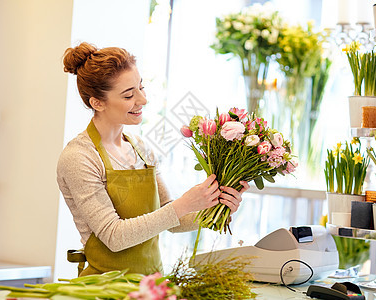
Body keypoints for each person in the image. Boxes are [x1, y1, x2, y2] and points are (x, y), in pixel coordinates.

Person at [56, 42, 250, 276]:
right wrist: (184, 204)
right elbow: (114, 236)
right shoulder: (80, 157)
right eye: (129, 95)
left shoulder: (141, 149)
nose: (143, 100)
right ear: (97, 102)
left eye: (141, 88)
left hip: (151, 283)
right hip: (106, 286)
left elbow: (172, 220)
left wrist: (216, 208)